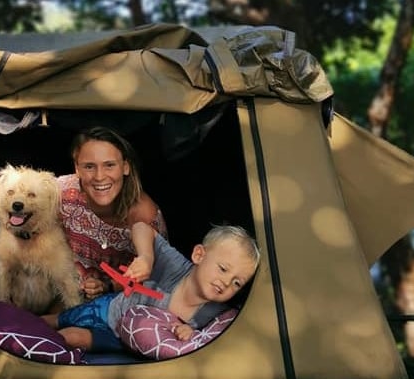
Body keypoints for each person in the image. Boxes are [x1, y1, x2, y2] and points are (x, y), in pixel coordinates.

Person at [42, 222, 260, 353]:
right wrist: (146, 257)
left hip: (125, 343)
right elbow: (142, 227)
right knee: (58, 321)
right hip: (109, 311)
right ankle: (21, 327)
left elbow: (208, 339)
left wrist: (190, 331)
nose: (226, 282)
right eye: (223, 269)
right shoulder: (176, 267)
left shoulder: (216, 314)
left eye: (237, 282)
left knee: (72, 338)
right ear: (199, 255)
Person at [57, 126, 168, 301]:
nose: (99, 176)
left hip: (117, 302)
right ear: (77, 168)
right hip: (61, 290)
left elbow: (155, 275)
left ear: (125, 167)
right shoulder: (59, 194)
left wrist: (107, 286)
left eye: (109, 165)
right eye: (89, 166)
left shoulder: (145, 215)